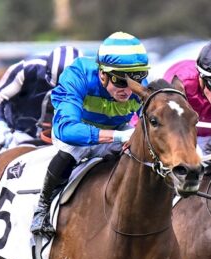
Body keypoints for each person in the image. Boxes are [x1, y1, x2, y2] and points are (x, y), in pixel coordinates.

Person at [30, 31, 149, 237]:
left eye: (136, 79)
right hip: (77, 132)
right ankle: (42, 208)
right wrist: (118, 136)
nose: (128, 90)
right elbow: (67, 130)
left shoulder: (138, 88)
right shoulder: (79, 75)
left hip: (117, 130)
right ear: (102, 73)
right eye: (121, 81)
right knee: (70, 152)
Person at [0, 45, 81, 149]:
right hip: (19, 134)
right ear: (47, 72)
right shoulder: (27, 69)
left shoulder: (95, 77)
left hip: (65, 139)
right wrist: (0, 125)